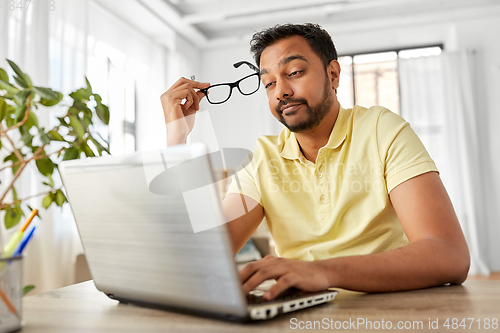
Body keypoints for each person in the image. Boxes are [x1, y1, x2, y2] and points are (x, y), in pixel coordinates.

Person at [160, 23, 470, 301]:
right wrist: (177, 140)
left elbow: (449, 255)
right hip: (300, 316)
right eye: (268, 83)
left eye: (294, 72)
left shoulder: (382, 129)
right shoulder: (262, 159)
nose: (281, 90)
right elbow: (202, 259)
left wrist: (324, 273)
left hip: (387, 309)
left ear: (333, 75)